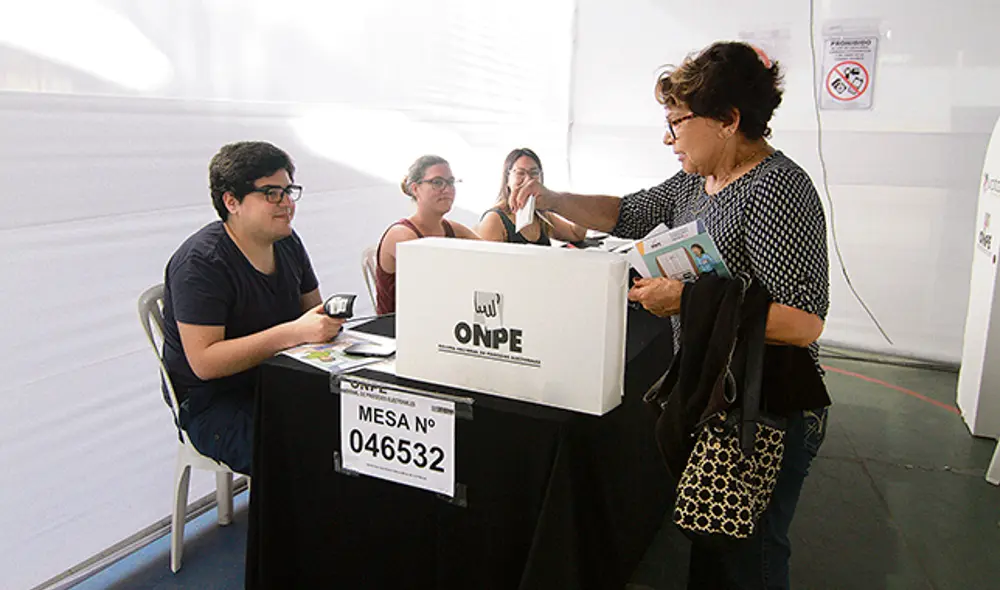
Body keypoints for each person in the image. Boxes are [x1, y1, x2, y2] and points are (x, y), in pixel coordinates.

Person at [510, 41, 830, 589]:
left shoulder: (777, 188)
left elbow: (802, 322)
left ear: (728, 120)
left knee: (750, 557)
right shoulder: (696, 181)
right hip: (717, 395)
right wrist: (554, 197)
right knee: (715, 545)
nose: (668, 138)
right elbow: (627, 212)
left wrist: (685, 300)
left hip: (767, 405)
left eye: (677, 122)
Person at [161, 141, 345, 476]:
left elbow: (313, 312)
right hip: (214, 404)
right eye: (272, 193)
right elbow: (205, 362)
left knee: (360, 428)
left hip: (278, 380)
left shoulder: (287, 242)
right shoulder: (201, 263)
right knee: (308, 454)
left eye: (289, 191)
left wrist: (325, 325)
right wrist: (292, 333)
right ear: (231, 201)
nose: (287, 203)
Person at [375, 155, 479, 314]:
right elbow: (437, 287)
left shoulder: (451, 228)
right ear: (415, 189)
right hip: (399, 326)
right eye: (437, 182)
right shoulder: (401, 235)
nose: (447, 189)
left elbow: (494, 256)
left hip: (441, 318)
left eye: (451, 182)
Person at [477, 148, 586, 245]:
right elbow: (486, 260)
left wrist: (561, 203)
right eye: (520, 173)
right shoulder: (494, 219)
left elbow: (576, 234)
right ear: (507, 179)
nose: (528, 180)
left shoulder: (541, 216)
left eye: (534, 173)